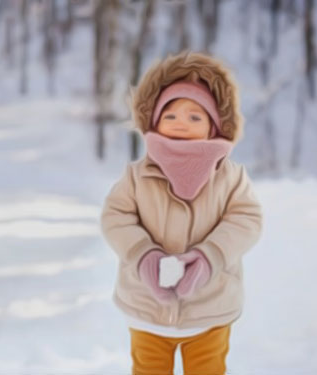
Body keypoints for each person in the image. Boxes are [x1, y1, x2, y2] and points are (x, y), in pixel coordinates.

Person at [100, 50, 264, 375]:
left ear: (214, 127)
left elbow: (247, 219)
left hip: (210, 307)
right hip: (147, 307)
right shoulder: (137, 175)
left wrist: (209, 258)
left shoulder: (230, 177)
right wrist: (143, 255)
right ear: (155, 121)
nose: (180, 124)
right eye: (170, 116)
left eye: (195, 117)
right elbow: (115, 217)